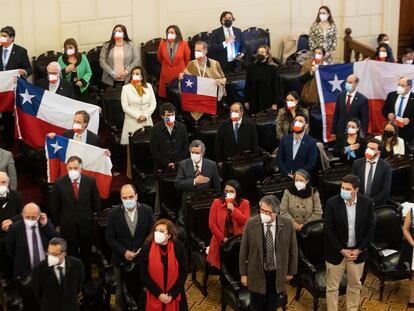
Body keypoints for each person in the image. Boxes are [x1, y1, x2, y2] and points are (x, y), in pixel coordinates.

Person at [324, 174, 375, 311]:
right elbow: (328, 229)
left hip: (357, 253)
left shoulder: (367, 203)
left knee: (355, 285)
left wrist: (359, 250)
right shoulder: (332, 203)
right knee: (332, 288)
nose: (343, 191)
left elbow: (370, 229)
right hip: (336, 252)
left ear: (356, 189)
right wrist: (342, 249)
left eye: (347, 189)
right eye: (342, 187)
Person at [239, 195, 298, 311]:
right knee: (256, 307)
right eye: (261, 210)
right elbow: (243, 251)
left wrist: (291, 271)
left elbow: (293, 250)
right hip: (256, 273)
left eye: (267, 212)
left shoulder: (287, 224)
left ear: (275, 212)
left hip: (276, 274)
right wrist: (243, 274)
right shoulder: (251, 223)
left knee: (272, 307)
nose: (263, 214)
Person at [50, 156, 101, 282]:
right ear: (67, 168)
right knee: (71, 258)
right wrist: (57, 225)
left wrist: (93, 219)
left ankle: (87, 283)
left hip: (86, 226)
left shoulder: (90, 181)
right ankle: (74, 283)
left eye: (76, 168)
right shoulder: (59, 183)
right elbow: (54, 206)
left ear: (81, 168)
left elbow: (96, 203)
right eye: (70, 168)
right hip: (68, 227)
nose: (73, 170)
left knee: (86, 257)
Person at [105, 184, 154, 310]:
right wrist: (124, 252)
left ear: (136, 196)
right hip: (120, 259)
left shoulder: (147, 210)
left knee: (144, 289)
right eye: (125, 197)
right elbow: (109, 238)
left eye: (131, 196)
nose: (128, 200)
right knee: (120, 292)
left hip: (142, 258)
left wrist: (142, 250)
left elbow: (152, 234)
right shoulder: (113, 214)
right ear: (121, 198)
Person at [175, 140, 221, 239]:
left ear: (203, 153)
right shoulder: (183, 164)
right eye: (192, 152)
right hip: (189, 203)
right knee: (182, 230)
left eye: (197, 153)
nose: (194, 155)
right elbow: (178, 184)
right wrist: (194, 181)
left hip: (206, 202)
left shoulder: (211, 165)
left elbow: (217, 188)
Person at [139, 219, 188, 311]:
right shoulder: (147, 247)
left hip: (174, 293)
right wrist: (159, 294)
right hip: (153, 292)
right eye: (156, 230)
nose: (157, 233)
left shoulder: (179, 247)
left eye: (161, 231)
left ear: (169, 235)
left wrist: (172, 294)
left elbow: (183, 273)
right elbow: (143, 275)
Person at [5, 203, 58, 279]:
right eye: (27, 217)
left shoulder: (45, 223)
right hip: (25, 271)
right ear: (22, 215)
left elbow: (58, 240)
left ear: (39, 215)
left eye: (33, 217)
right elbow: (10, 249)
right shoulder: (14, 228)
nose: (30, 219)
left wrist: (45, 225)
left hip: (46, 268)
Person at [0, 26, 32, 148]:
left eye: (4, 35)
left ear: (12, 38)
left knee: (13, 115)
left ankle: (15, 141)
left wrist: (24, 72)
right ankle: (5, 141)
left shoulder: (21, 51)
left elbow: (29, 68)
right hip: (2, 89)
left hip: (14, 88)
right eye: (1, 35)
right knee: (4, 115)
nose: (1, 38)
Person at [32, 238, 84, 311]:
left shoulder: (77, 264)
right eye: (48, 253)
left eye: (54, 254)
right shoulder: (39, 269)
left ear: (64, 254)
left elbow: (79, 286)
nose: (50, 256)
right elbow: (37, 293)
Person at [207, 180, 250, 269]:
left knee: (237, 267)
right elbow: (212, 224)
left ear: (237, 192)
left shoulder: (244, 203)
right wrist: (223, 239)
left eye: (231, 191)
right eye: (226, 191)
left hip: (238, 241)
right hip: (221, 241)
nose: (228, 194)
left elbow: (246, 222)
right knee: (223, 267)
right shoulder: (216, 203)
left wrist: (233, 210)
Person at [181, 41, 226, 121]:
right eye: (195, 51)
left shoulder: (215, 64)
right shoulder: (191, 64)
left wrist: (221, 81)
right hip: (196, 100)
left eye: (199, 51)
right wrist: (181, 77)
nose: (196, 53)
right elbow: (184, 79)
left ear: (205, 51)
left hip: (210, 100)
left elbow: (223, 79)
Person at [120, 65, 157, 145]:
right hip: (132, 121)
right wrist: (138, 116)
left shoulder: (149, 86)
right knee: (132, 147)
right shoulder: (126, 88)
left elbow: (153, 104)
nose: (135, 75)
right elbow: (125, 107)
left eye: (137, 74)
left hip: (147, 120)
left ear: (142, 77)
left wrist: (145, 115)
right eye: (133, 74)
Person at [352, 138, 392, 207]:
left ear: (378, 152)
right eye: (367, 147)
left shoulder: (386, 166)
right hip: (358, 202)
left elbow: (386, 190)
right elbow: (353, 184)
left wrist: (371, 202)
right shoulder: (357, 163)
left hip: (377, 204)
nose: (368, 150)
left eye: (372, 148)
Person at [150, 103, 189, 172]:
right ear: (162, 116)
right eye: (168, 115)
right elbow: (154, 150)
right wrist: (167, 162)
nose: (171, 117)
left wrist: (176, 162)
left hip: (180, 164)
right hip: (162, 166)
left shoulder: (182, 127)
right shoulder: (155, 129)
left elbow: (185, 147)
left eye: (172, 115)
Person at [300, 46, 328, 141]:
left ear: (323, 56)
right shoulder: (307, 64)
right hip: (309, 97)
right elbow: (301, 80)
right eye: (315, 53)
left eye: (320, 53)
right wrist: (311, 71)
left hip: (322, 99)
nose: (317, 55)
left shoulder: (327, 66)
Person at [244, 45, 280, 114]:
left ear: (267, 55)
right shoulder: (251, 68)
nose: (260, 54)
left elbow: (275, 87)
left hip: (267, 100)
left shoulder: (272, 69)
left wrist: (275, 103)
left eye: (262, 52)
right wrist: (246, 101)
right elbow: (247, 85)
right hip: (254, 100)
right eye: (258, 52)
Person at [157, 25, 190, 98]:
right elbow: (159, 58)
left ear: (177, 34)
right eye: (168, 32)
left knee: (179, 98)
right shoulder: (162, 44)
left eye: (172, 32)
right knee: (167, 98)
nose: (170, 34)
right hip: (166, 74)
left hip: (179, 75)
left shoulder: (184, 44)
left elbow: (187, 59)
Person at [382, 76, 414, 145]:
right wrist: (388, 115)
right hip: (391, 131)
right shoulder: (391, 95)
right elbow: (384, 110)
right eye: (399, 85)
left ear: (409, 87)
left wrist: (410, 120)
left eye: (402, 85)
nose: (399, 87)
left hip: (408, 134)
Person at [400, 203, 414, 307]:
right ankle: (412, 299)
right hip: (413, 248)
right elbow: (405, 229)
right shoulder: (412, 210)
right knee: (413, 275)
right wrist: (413, 243)